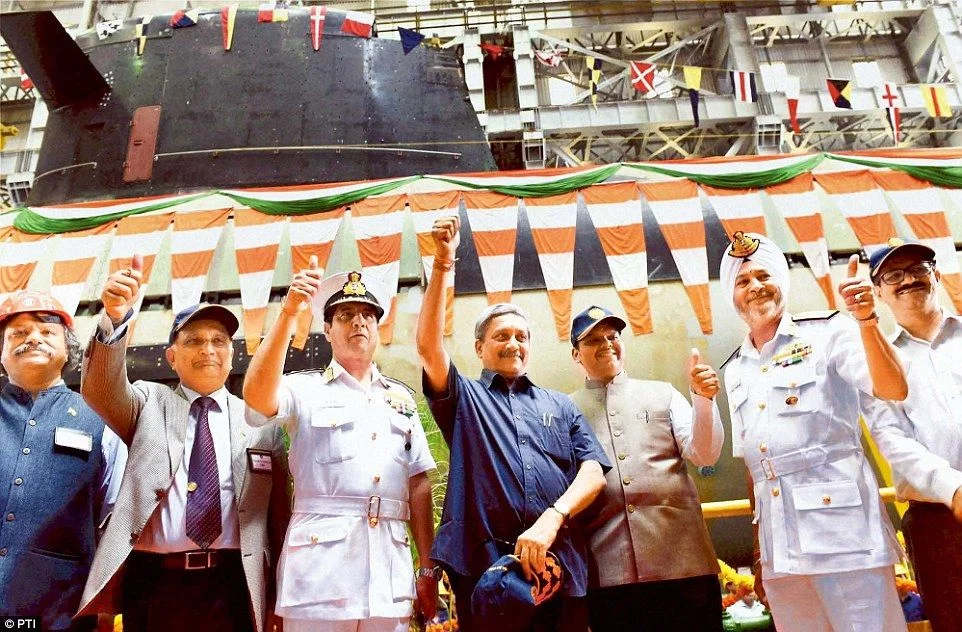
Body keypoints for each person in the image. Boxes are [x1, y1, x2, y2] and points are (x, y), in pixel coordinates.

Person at [416, 216, 610, 631]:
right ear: (479, 347)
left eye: (521, 336)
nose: (513, 343)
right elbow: (430, 348)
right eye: (501, 336)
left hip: (560, 567)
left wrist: (552, 519)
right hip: (489, 575)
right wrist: (442, 263)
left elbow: (593, 473)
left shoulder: (561, 405)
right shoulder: (465, 398)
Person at [76, 254, 289, 632]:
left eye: (218, 341)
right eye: (193, 341)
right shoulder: (148, 402)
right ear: (171, 357)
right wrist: (114, 318)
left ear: (231, 355)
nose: (208, 349)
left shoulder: (260, 424)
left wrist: (279, 597)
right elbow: (101, 390)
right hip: (156, 584)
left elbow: (278, 520)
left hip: (235, 583)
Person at [718, 231, 908, 632]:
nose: (755, 287)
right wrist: (758, 555)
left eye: (764, 276)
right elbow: (756, 464)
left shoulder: (829, 331)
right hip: (779, 548)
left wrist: (867, 321)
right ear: (732, 295)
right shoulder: (735, 368)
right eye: (743, 281)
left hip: (845, 537)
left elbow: (892, 388)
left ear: (782, 281)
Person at [244, 261, 438, 632]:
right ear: (327, 329)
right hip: (320, 573)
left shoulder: (400, 399)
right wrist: (288, 314)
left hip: (388, 572)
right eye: (346, 315)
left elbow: (419, 483)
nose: (359, 322)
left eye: (368, 314)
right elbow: (255, 399)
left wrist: (426, 564)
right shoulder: (304, 389)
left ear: (378, 328)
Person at [567, 305, 724, 632]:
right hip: (608, 576)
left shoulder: (663, 393)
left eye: (612, 336)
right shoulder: (565, 411)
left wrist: (703, 402)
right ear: (575, 354)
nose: (607, 344)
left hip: (685, 567)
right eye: (594, 339)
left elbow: (704, 453)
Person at [0, 291, 123, 631]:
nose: (33, 338)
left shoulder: (101, 418)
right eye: (19, 333)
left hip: (62, 606)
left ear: (68, 349)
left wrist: (105, 601)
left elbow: (113, 519)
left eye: (46, 331)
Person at [861, 238, 962, 632]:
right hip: (937, 523)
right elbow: (892, 440)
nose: (909, 281)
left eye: (919, 269)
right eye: (894, 275)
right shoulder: (878, 360)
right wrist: (953, 488)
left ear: (936, 274)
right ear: (878, 292)